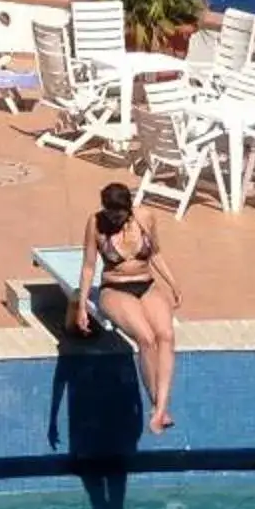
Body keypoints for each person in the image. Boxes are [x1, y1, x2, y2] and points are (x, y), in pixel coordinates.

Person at [72, 179, 180, 432]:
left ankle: (161, 407)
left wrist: (173, 284)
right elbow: (89, 267)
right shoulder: (95, 223)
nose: (113, 219)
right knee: (146, 338)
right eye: (109, 212)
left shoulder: (146, 217)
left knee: (166, 335)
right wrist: (81, 306)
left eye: (117, 214)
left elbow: (155, 254)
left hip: (147, 284)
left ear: (128, 209)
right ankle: (156, 402)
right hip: (115, 288)